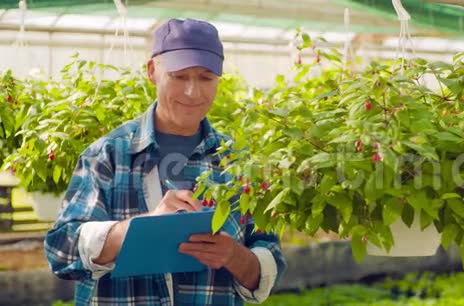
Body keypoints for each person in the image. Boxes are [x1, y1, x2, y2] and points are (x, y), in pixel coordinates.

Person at [44, 18, 286, 306]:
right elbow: (61, 250)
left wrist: (234, 255)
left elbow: (270, 259)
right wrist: (139, 228)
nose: (193, 92)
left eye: (206, 77)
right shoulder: (109, 154)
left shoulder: (237, 162)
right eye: (179, 76)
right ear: (152, 72)